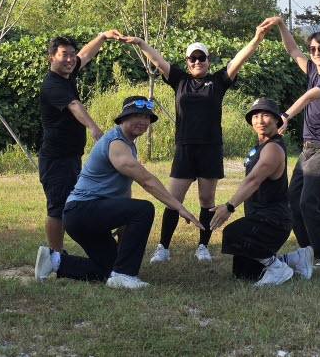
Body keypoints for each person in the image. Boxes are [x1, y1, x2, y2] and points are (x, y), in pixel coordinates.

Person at [120, 25, 270, 262]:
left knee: (206, 200)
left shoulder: (218, 81)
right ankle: (163, 247)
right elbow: (158, 61)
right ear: (187, 62)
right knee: (173, 199)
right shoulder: (180, 80)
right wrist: (140, 43)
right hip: (185, 148)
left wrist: (256, 39)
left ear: (208, 61)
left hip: (210, 148)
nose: (197, 62)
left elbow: (239, 60)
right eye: (193, 58)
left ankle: (203, 246)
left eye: (202, 58)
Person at [34, 96, 203, 289]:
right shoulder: (116, 143)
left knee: (108, 268)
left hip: (82, 214)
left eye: (146, 117)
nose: (143, 121)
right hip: (82, 211)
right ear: (123, 118)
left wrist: (124, 221)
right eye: (136, 116)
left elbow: (124, 186)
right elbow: (146, 180)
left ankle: (54, 261)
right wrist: (179, 207)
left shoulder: (127, 143)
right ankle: (125, 275)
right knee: (144, 209)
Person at [261, 17, 320, 271]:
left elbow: (310, 96)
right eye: (312, 49)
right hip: (308, 149)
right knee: (293, 201)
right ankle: (308, 252)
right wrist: (280, 24)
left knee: (310, 202)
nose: (316, 52)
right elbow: (292, 49)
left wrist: (286, 115)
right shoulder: (312, 71)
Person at [37, 31, 123, 257]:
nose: (70, 59)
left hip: (73, 156)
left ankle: (98, 245)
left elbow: (85, 55)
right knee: (57, 208)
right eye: (64, 55)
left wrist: (102, 36)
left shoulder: (68, 73)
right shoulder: (51, 84)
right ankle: (55, 256)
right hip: (56, 160)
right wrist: (94, 128)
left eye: (71, 54)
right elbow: (74, 105)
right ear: (51, 57)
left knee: (79, 201)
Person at [209, 97, 294, 286]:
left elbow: (254, 181)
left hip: (274, 220)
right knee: (244, 273)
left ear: (277, 119)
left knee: (233, 233)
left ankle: (276, 268)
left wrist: (229, 206)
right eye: (255, 116)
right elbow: (248, 180)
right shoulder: (261, 146)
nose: (260, 120)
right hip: (259, 216)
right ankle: (293, 260)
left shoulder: (273, 148)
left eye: (266, 115)